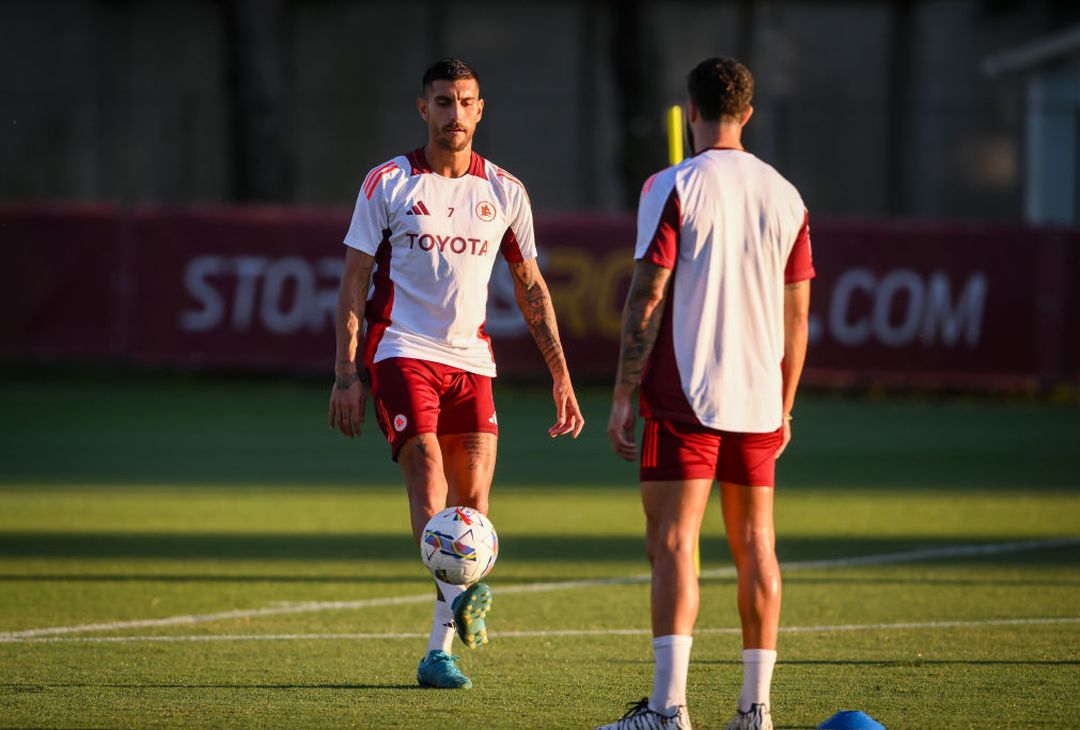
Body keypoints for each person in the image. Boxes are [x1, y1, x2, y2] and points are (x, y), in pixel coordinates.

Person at [328, 58, 585, 691]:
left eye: (465, 101)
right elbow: (355, 282)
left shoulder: (504, 191)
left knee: (474, 511)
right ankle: (457, 613)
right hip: (400, 351)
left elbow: (531, 287)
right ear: (424, 110)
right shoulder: (387, 182)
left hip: (471, 362)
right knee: (428, 471)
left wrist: (562, 376)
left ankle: (437, 652)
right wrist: (345, 374)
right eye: (442, 101)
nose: (454, 113)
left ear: (480, 109)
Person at [601, 57, 814, 730]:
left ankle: (668, 710)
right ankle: (756, 711)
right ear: (748, 113)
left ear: (689, 110)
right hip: (758, 396)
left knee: (672, 543)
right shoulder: (787, 194)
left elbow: (646, 297)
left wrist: (620, 392)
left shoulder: (671, 185)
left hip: (684, 394)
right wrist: (784, 403)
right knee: (758, 547)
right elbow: (799, 315)